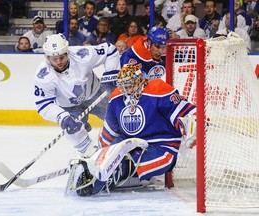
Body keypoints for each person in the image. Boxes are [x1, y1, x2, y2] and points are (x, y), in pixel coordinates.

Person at [67, 64, 196, 196]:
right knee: (110, 157)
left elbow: (188, 114)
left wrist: (192, 126)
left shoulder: (158, 89)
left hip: (160, 146)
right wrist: (98, 154)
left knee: (127, 163)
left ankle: (111, 176)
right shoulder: (117, 96)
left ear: (140, 81)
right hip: (127, 144)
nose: (127, 90)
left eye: (130, 86)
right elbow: (109, 132)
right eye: (123, 86)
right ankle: (96, 171)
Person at [34, 33, 120, 158]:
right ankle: (90, 154)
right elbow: (43, 104)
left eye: (62, 57)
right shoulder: (43, 76)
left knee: (117, 119)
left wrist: (111, 77)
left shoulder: (82, 55)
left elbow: (109, 50)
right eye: (54, 59)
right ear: (47, 58)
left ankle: (124, 146)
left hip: (96, 94)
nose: (59, 62)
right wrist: (62, 117)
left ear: (67, 52)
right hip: (70, 108)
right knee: (72, 130)